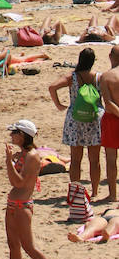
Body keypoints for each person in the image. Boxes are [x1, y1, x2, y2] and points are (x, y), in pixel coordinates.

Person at [5, 119, 56, 259]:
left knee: (29, 247)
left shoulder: (32, 156)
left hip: (22, 205)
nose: (11, 136)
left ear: (22, 135)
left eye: (14, 133)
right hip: (13, 204)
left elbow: (19, 182)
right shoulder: (23, 154)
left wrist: (8, 162)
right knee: (13, 246)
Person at [50, 47, 102, 199]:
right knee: (95, 160)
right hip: (94, 118)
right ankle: (95, 191)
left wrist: (59, 105)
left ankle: (75, 192)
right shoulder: (98, 77)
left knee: (75, 159)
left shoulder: (72, 77)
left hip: (75, 119)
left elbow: (52, 87)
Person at [99, 46, 119, 202]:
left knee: (111, 159)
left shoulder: (106, 77)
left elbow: (108, 103)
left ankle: (113, 195)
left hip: (112, 119)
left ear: (111, 56)